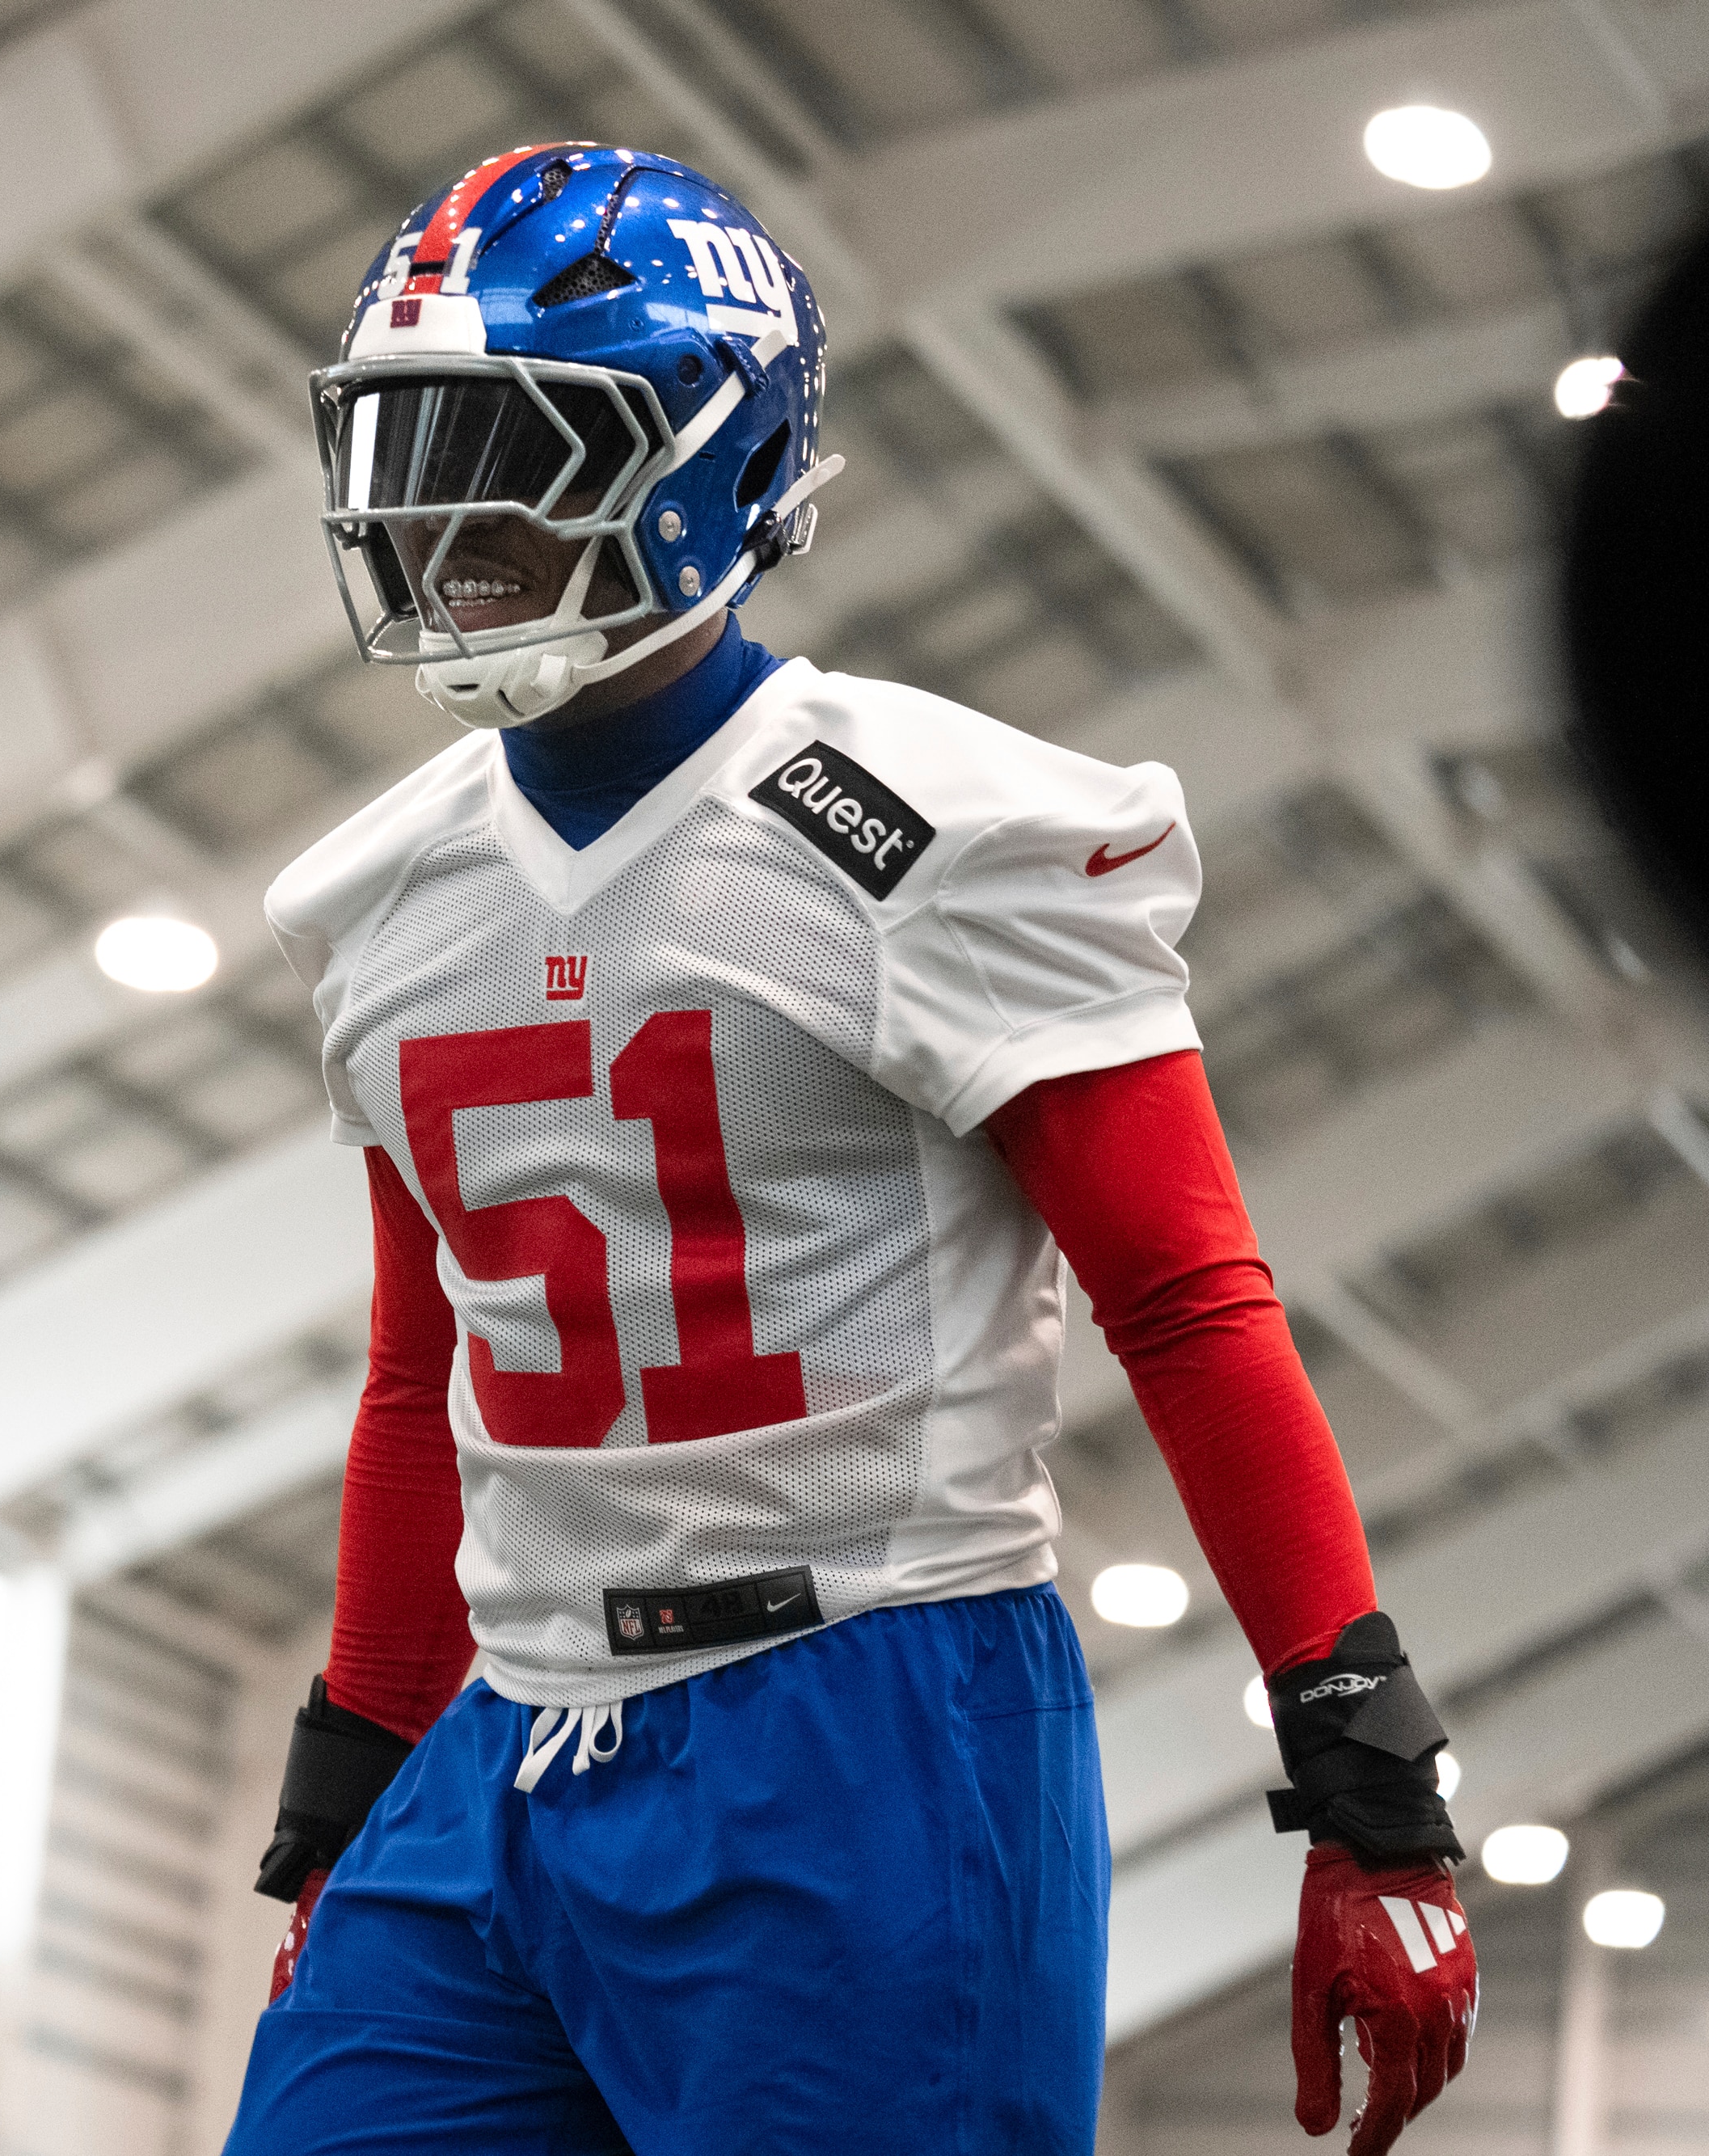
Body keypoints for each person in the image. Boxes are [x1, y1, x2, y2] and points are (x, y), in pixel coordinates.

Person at [225, 145, 1475, 2156]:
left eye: (507, 440)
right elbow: (419, 1372)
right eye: (411, 438)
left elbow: (1183, 1296)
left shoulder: (929, 827)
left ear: (708, 460)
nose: (437, 506)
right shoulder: (378, 893)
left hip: (864, 1717)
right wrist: (346, 1793)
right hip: (500, 1752)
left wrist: (1367, 1777)